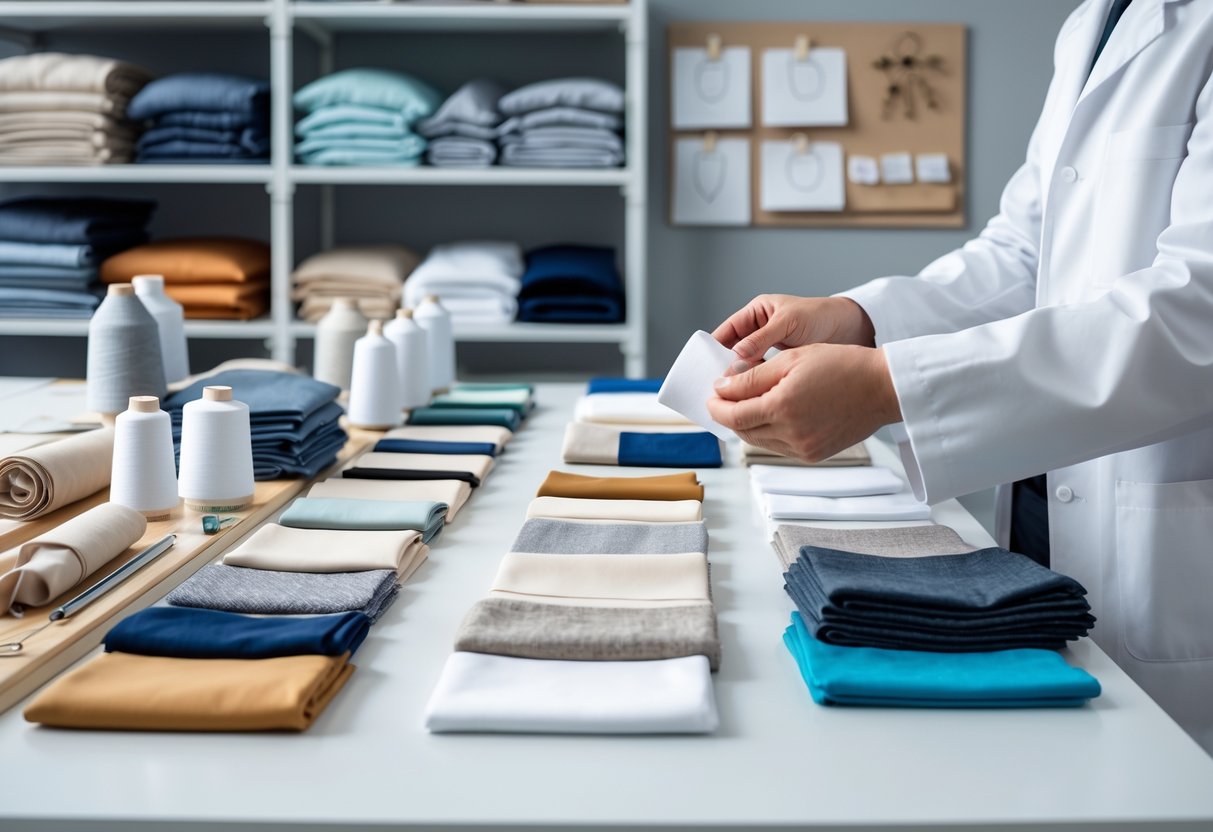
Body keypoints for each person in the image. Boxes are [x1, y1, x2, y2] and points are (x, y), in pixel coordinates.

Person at [707, 0, 1213, 754]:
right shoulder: (1090, 23)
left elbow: (1195, 310)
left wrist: (890, 385)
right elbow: (1021, 253)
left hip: (1164, 548)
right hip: (1049, 518)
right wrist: (858, 318)